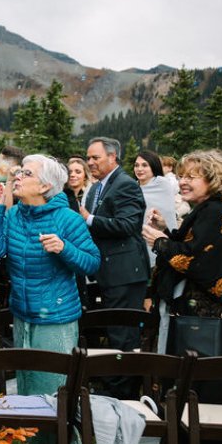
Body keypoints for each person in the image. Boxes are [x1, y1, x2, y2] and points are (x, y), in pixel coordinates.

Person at [0, 155, 100, 444]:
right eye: (19, 171)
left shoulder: (67, 219)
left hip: (56, 317)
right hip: (23, 312)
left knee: (51, 385)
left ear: (46, 185)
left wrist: (64, 248)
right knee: (27, 382)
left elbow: (93, 263)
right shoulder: (14, 215)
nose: (18, 177)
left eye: (26, 173)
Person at [144, 148, 222, 358]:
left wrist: (159, 242)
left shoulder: (215, 211)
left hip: (199, 313)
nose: (182, 181)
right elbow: (197, 243)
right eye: (181, 176)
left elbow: (197, 260)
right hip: (201, 311)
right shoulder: (213, 207)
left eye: (191, 177)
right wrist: (166, 230)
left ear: (212, 179)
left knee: (189, 368)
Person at [83, 136, 149, 340]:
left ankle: (125, 372)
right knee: (114, 331)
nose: (90, 162)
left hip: (125, 272)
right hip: (107, 271)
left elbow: (128, 225)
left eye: (95, 157)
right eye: (88, 158)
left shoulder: (125, 184)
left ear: (112, 157)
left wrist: (89, 218)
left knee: (124, 334)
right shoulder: (96, 187)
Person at [133, 148, 178, 266]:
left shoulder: (163, 185)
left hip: (159, 241)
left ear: (154, 166)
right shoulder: (132, 188)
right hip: (136, 245)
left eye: (144, 165)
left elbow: (167, 215)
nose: (139, 169)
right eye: (136, 165)